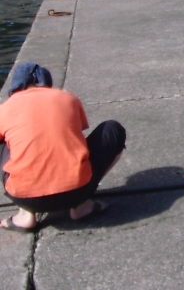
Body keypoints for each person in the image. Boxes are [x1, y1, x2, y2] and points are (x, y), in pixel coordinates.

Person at [0, 63, 126, 232]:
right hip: (78, 191)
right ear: (47, 84)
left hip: (23, 197)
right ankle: (82, 205)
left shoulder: (5, 108)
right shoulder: (68, 98)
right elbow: (77, 132)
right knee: (112, 129)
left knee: (6, 141)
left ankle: (25, 214)